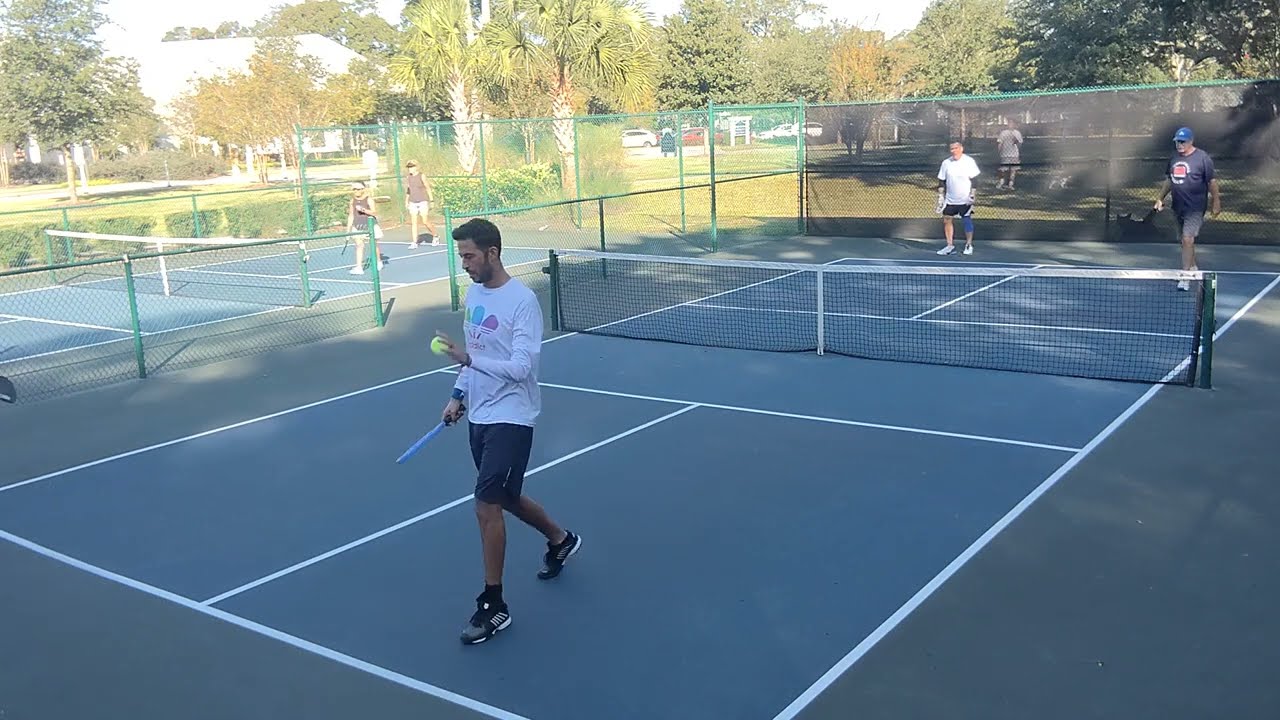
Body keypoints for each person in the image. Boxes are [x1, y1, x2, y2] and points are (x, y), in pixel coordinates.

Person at [434, 218, 582, 646]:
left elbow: (521, 368)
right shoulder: (474, 293)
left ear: (493, 253)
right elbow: (474, 354)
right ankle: (561, 539)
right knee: (507, 497)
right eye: (461, 256)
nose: (464, 264)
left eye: (469, 256)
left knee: (485, 505)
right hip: (479, 414)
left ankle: (493, 605)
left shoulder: (522, 302)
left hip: (512, 417)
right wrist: (458, 394)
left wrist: (466, 360)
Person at [1154, 126, 1221, 290]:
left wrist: (1216, 201)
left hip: (1196, 207)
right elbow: (1169, 180)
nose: (1179, 144)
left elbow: (1211, 181)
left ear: (1191, 141)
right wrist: (1160, 199)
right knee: (1184, 242)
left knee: (1187, 239)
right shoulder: (1174, 158)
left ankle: (1185, 276)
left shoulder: (1202, 158)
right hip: (1178, 206)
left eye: (1182, 141)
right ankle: (1193, 267)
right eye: (1177, 141)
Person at [935, 142, 981, 255]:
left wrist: (972, 194)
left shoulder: (969, 161)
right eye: (951, 149)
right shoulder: (946, 163)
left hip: (964, 198)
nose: (953, 151)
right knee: (947, 220)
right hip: (950, 199)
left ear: (961, 149)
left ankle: (969, 245)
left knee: (966, 220)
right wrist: (941, 197)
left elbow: (975, 180)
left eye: (956, 148)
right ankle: (949, 245)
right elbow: (941, 181)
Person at [347, 182, 384, 275]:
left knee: (374, 244)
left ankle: (379, 261)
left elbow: (374, 212)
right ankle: (359, 267)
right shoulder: (352, 201)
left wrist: (363, 210)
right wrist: (348, 229)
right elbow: (351, 215)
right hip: (358, 226)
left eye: (358, 189)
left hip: (370, 226)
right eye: (354, 189)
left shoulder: (369, 200)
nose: (356, 191)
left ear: (363, 189)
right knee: (359, 245)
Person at [403, 160, 438, 248]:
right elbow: (408, 190)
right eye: (409, 167)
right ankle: (415, 242)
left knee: (425, 221)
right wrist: (406, 201)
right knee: (414, 222)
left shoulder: (422, 176)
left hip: (423, 201)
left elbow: (428, 188)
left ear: (416, 167)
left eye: (412, 167)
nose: (410, 169)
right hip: (413, 201)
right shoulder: (408, 177)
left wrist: (432, 200)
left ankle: (435, 236)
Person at [995, 119, 1023, 190]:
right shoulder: (1003, 133)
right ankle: (1001, 183)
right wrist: (999, 152)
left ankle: (1010, 185)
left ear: (1014, 124)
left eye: (1012, 123)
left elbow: (1020, 144)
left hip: (1014, 155)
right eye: (1009, 123)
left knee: (1013, 170)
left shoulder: (1017, 133)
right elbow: (1000, 143)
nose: (1010, 124)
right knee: (1003, 170)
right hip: (1005, 154)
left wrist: (1016, 142)